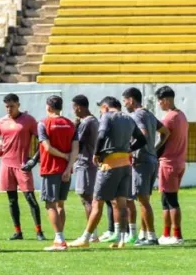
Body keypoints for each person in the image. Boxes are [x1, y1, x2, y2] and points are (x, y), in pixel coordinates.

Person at [69, 97, 148, 249]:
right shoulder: (129, 118)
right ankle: (121, 238)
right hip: (125, 165)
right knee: (121, 203)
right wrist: (128, 149)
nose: (100, 112)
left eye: (100, 109)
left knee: (96, 202)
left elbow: (101, 135)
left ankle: (86, 238)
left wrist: (96, 153)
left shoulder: (107, 117)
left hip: (109, 164)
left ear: (105, 107)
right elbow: (142, 140)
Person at [0, 93, 46, 241]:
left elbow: (42, 141)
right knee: (12, 200)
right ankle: (18, 232)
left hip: (22, 165)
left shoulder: (28, 120)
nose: (9, 109)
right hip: (6, 164)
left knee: (30, 198)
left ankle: (39, 231)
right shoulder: (1, 122)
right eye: (7, 106)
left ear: (18, 104)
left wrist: (34, 161)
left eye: (12, 106)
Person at [124, 87, 170, 246]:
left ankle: (151, 236)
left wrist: (130, 150)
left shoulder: (136, 115)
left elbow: (143, 134)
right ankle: (144, 235)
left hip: (141, 161)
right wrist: (155, 149)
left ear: (131, 100)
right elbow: (166, 132)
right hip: (151, 160)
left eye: (125, 101)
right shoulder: (149, 114)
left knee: (143, 201)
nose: (125, 105)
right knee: (144, 200)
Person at [36, 96, 79, 251]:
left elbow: (47, 147)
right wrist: (68, 167)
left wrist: (62, 156)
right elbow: (75, 149)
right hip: (66, 169)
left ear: (48, 107)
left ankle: (60, 240)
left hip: (50, 168)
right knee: (60, 204)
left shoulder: (43, 123)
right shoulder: (70, 124)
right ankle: (58, 238)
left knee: (50, 203)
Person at [156, 86, 188, 245]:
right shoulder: (181, 115)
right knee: (165, 199)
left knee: (171, 200)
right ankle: (166, 234)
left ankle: (177, 235)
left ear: (167, 100)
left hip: (168, 163)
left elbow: (162, 140)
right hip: (179, 162)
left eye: (160, 101)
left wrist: (153, 153)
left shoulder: (168, 118)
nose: (159, 104)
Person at [69, 95, 100, 243]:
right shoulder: (95, 121)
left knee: (86, 198)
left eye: (74, 107)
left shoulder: (87, 123)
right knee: (89, 198)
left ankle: (92, 234)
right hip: (91, 163)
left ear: (79, 107)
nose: (73, 111)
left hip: (85, 163)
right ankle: (93, 232)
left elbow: (77, 144)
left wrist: (74, 127)